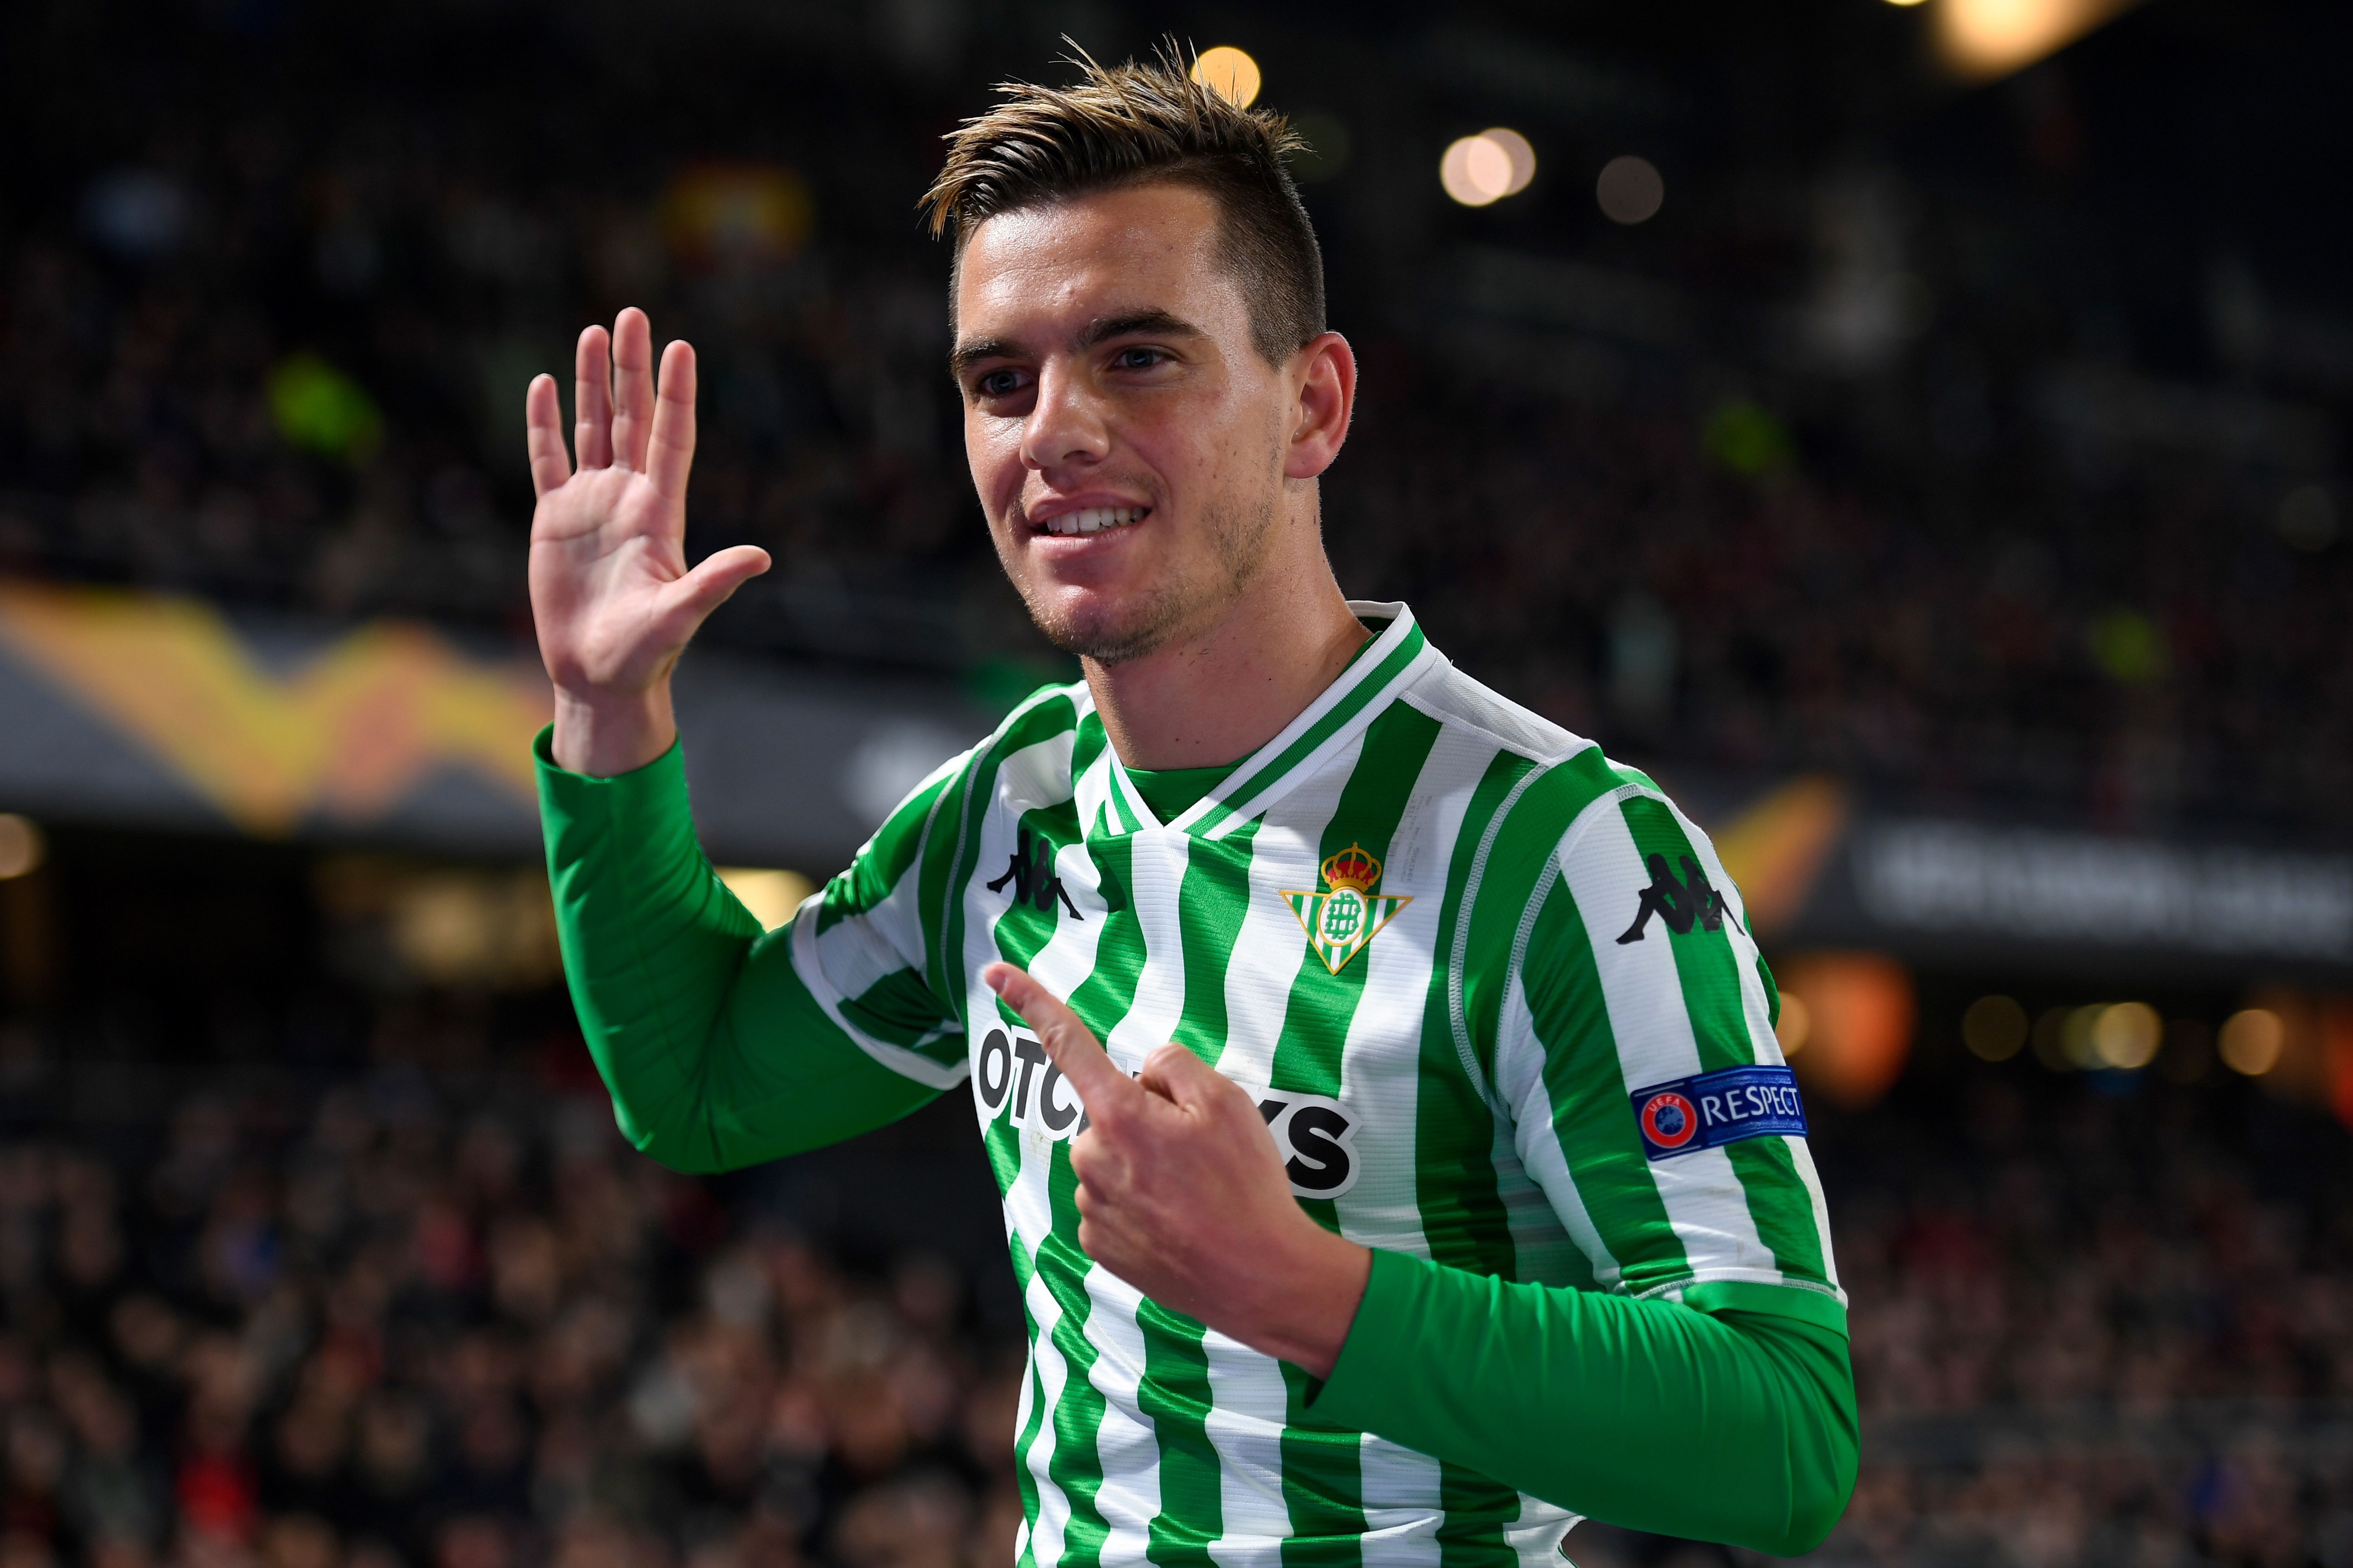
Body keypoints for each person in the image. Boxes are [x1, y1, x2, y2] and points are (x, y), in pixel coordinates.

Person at [524, 48, 1856, 1566]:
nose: (1053, 431)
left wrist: (1295, 1283)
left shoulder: (1561, 849)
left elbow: (1784, 1434)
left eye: (1137, 356)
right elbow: (697, 1083)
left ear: (1313, 404)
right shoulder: (1006, 814)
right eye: (998, 381)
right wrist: (610, 715)